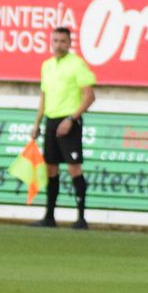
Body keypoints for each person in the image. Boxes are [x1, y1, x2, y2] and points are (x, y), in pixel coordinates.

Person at [29, 25, 96, 230]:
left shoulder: (77, 64)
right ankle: (49, 216)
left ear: (69, 43)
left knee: (74, 168)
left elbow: (89, 96)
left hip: (69, 121)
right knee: (51, 168)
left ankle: (81, 218)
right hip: (51, 120)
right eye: (55, 41)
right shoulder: (47, 66)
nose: (58, 45)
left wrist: (71, 119)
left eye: (63, 41)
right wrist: (37, 122)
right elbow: (43, 96)